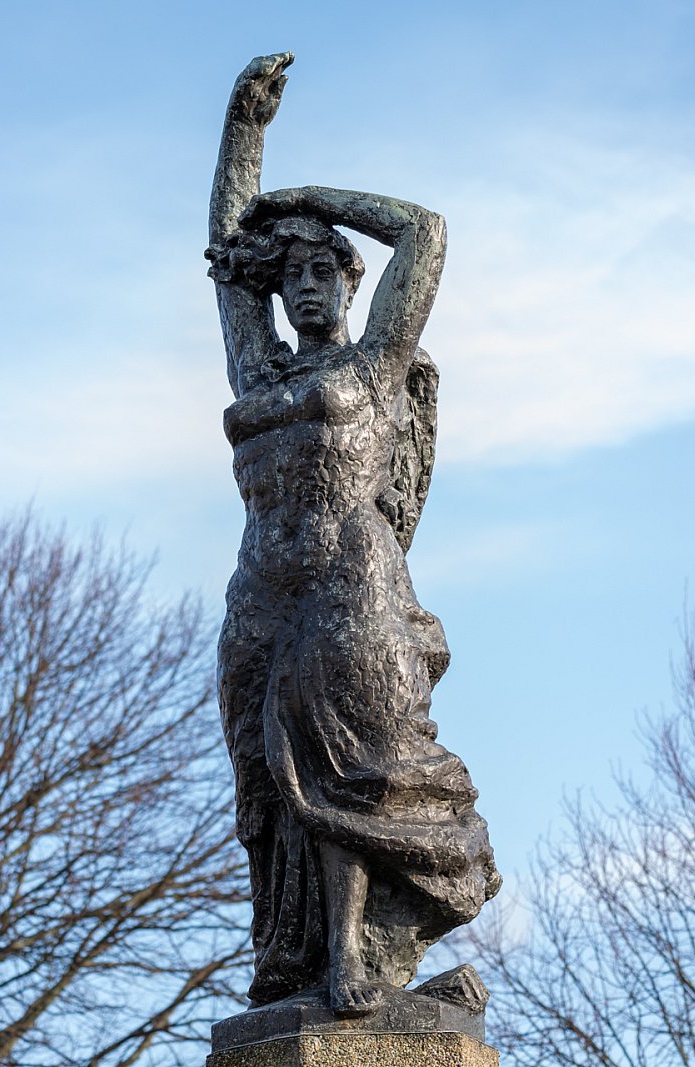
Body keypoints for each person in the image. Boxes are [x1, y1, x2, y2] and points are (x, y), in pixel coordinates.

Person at [206, 52, 500, 1020]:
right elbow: (224, 261)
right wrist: (243, 136)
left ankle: (350, 959)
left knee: (351, 775)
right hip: (261, 595)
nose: (303, 289)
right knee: (266, 790)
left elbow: (425, 231)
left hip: (349, 584)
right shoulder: (259, 372)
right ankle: (293, 960)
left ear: (348, 280)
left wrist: (306, 198)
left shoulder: (376, 364)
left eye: (321, 271)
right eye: (289, 274)